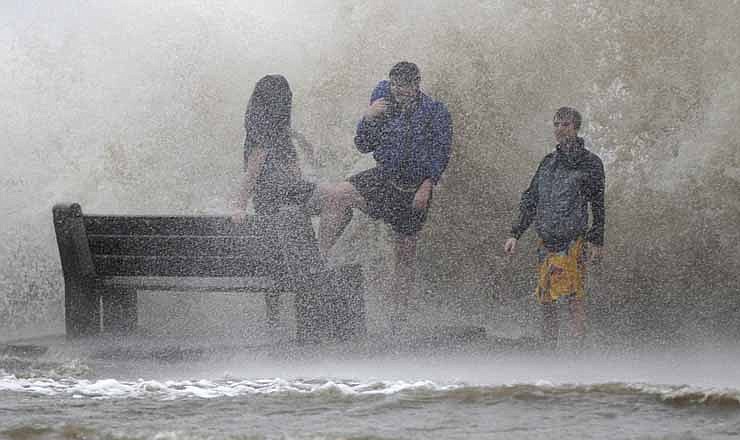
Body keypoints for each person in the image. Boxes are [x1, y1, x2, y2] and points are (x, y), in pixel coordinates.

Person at [320, 61, 453, 329]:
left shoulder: (435, 111)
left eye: (404, 88)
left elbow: (441, 153)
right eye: (395, 87)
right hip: (384, 178)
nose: (399, 93)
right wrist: (367, 117)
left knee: (404, 256)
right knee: (338, 194)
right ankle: (319, 259)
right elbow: (363, 146)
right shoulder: (382, 99)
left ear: (417, 86)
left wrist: (427, 187)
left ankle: (398, 318)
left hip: (414, 188)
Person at [503, 107, 605, 348]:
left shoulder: (590, 163)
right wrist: (515, 234)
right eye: (556, 125)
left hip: (573, 240)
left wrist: (597, 240)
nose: (560, 130)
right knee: (546, 299)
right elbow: (530, 199)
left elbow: (598, 203)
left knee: (573, 298)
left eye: (565, 125)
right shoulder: (548, 163)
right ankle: (549, 351)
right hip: (546, 241)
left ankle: (576, 352)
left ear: (576, 128)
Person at [232, 74, 322, 326]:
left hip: (270, 208)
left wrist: (240, 206)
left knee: (275, 262)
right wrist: (238, 205)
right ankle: (321, 270)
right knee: (336, 201)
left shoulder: (263, 133)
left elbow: (270, 176)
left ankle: (274, 319)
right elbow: (256, 174)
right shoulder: (269, 137)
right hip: (284, 207)